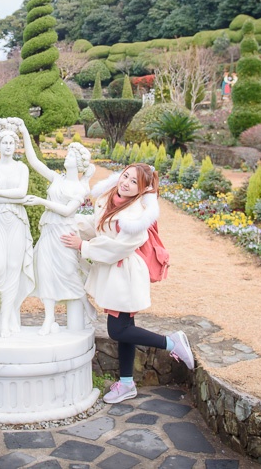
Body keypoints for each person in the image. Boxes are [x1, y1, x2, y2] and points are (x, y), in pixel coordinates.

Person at [61, 163, 194, 404]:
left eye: (134, 182)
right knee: (125, 330)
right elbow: (98, 225)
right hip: (115, 273)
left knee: (118, 329)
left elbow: (116, 248)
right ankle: (126, 383)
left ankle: (172, 342)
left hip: (125, 274)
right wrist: (74, 225)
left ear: (142, 190)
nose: (126, 183)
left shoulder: (135, 218)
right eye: (125, 177)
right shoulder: (111, 198)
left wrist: (83, 246)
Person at [20, 127, 95, 335]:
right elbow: (35, 162)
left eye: (71, 155)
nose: (67, 157)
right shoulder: (57, 179)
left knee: (69, 272)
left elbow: (68, 211)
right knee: (45, 272)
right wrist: (26, 133)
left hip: (65, 234)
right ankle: (49, 318)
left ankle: (85, 304)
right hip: (48, 231)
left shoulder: (79, 188)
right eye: (68, 153)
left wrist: (41, 201)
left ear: (78, 163)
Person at [0, 117, 33, 338]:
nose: (8, 146)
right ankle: (5, 312)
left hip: (16, 221)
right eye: (4, 143)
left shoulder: (22, 168)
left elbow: (21, 193)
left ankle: (6, 318)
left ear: (16, 145)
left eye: (12, 142)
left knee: (14, 266)